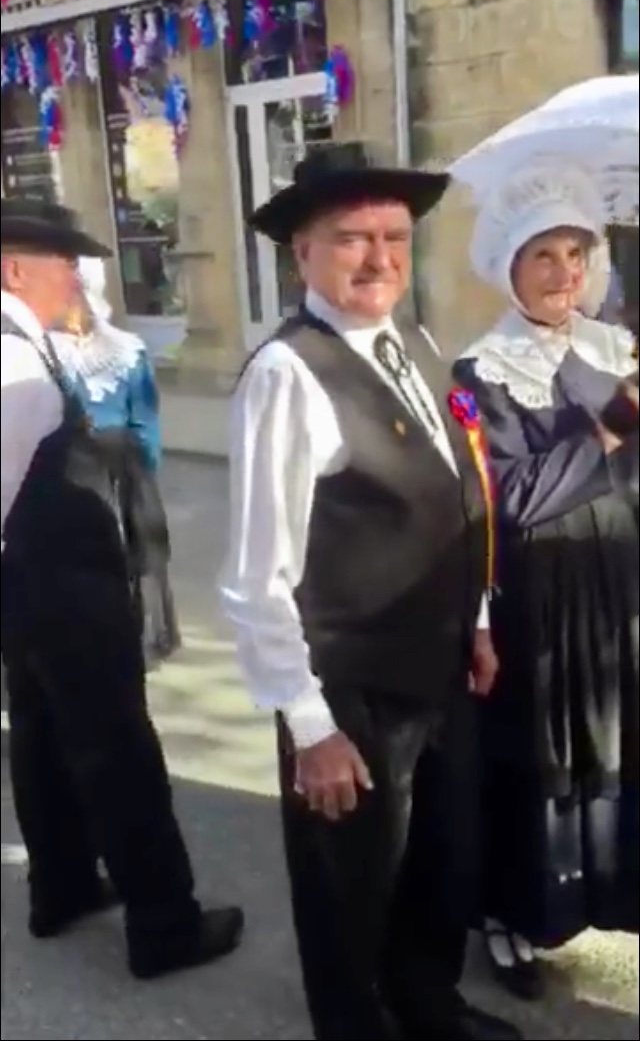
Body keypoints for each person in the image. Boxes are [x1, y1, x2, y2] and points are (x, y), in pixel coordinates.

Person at [219, 142, 521, 1040]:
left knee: (439, 860)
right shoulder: (287, 374)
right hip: (347, 686)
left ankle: (428, 1001)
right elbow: (255, 578)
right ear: (301, 252)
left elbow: (458, 487)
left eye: (393, 236)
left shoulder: (415, 341)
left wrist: (475, 617)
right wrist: (309, 729)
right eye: (351, 237)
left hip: (435, 664)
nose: (379, 257)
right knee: (350, 887)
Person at [1, 198, 243, 978]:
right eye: (64, 260)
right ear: (14, 268)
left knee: (42, 737)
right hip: (58, 584)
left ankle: (62, 886)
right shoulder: (12, 362)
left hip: (36, 583)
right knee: (118, 750)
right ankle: (164, 923)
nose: (78, 274)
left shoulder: (21, 341)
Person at [454, 161, 638, 1000]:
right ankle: (512, 914)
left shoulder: (615, 350)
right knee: (538, 750)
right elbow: (510, 499)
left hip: (619, 585)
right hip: (540, 592)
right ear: (510, 268)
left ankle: (607, 890)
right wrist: (607, 434)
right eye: (545, 257)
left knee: (617, 736)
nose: (566, 274)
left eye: (576, 253)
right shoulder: (482, 372)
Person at [49, 265, 180, 665]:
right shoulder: (51, 349)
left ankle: (127, 635)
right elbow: (144, 420)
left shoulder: (120, 349)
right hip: (102, 460)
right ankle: (120, 636)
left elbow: (143, 415)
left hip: (100, 462)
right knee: (107, 550)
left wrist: (144, 472)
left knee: (126, 548)